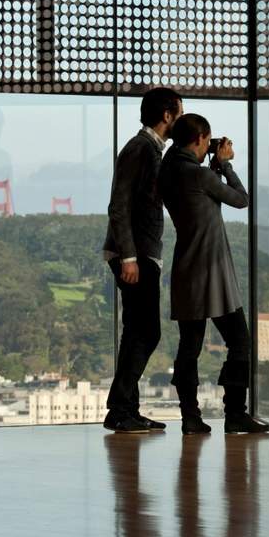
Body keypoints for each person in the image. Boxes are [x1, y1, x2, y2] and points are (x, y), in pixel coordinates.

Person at [159, 113, 269, 435]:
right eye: (207, 141)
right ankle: (235, 413)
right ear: (199, 140)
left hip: (186, 269)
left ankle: (190, 417)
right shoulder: (200, 175)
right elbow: (241, 200)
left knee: (189, 347)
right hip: (213, 270)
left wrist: (211, 164)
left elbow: (198, 187)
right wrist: (225, 165)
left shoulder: (168, 170)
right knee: (240, 342)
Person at [101, 87, 182, 434]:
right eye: (179, 113)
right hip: (134, 254)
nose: (180, 120)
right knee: (147, 331)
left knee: (137, 331)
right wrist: (129, 257)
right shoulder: (140, 149)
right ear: (167, 115)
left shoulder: (150, 149)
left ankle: (126, 410)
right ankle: (119, 408)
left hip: (139, 252)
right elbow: (119, 205)